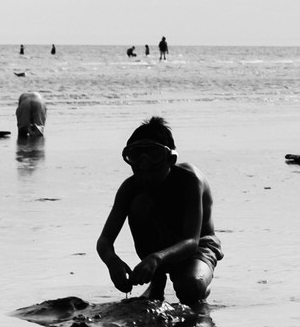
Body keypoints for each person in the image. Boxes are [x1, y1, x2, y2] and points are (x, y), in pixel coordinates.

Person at [95, 116, 221, 307]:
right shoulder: (130, 188)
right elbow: (104, 241)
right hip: (155, 253)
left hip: (197, 248)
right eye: (137, 157)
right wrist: (113, 262)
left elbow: (191, 242)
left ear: (170, 160)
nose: (145, 171)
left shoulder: (189, 180)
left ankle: (199, 286)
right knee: (140, 203)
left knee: (190, 288)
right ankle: (157, 281)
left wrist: (155, 258)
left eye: (153, 158)